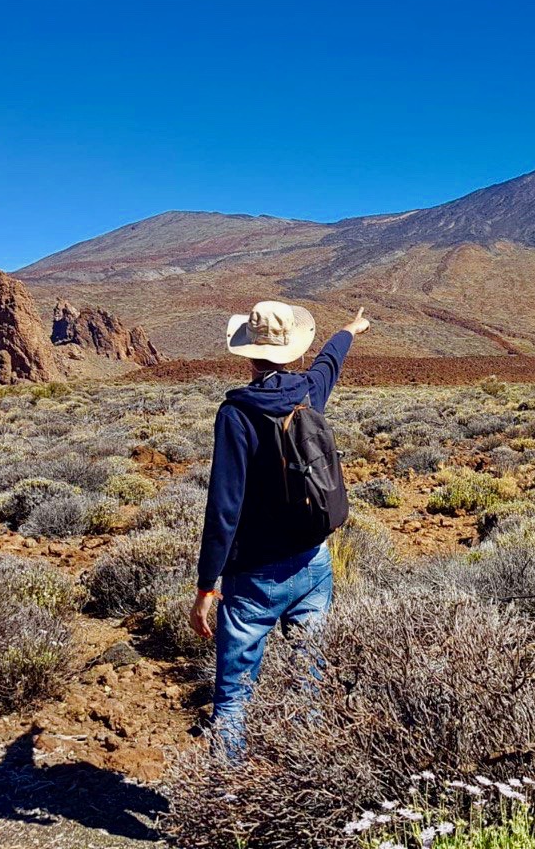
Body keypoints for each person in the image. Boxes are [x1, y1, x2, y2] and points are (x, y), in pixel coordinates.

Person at [190, 300, 370, 761]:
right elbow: (330, 361)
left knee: (233, 699)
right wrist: (349, 329)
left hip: (254, 577)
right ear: (293, 351)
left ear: (248, 355)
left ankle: (225, 801)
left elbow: (224, 507)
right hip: (314, 562)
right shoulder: (308, 391)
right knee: (307, 679)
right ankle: (303, 776)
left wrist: (207, 585)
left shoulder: (236, 414)